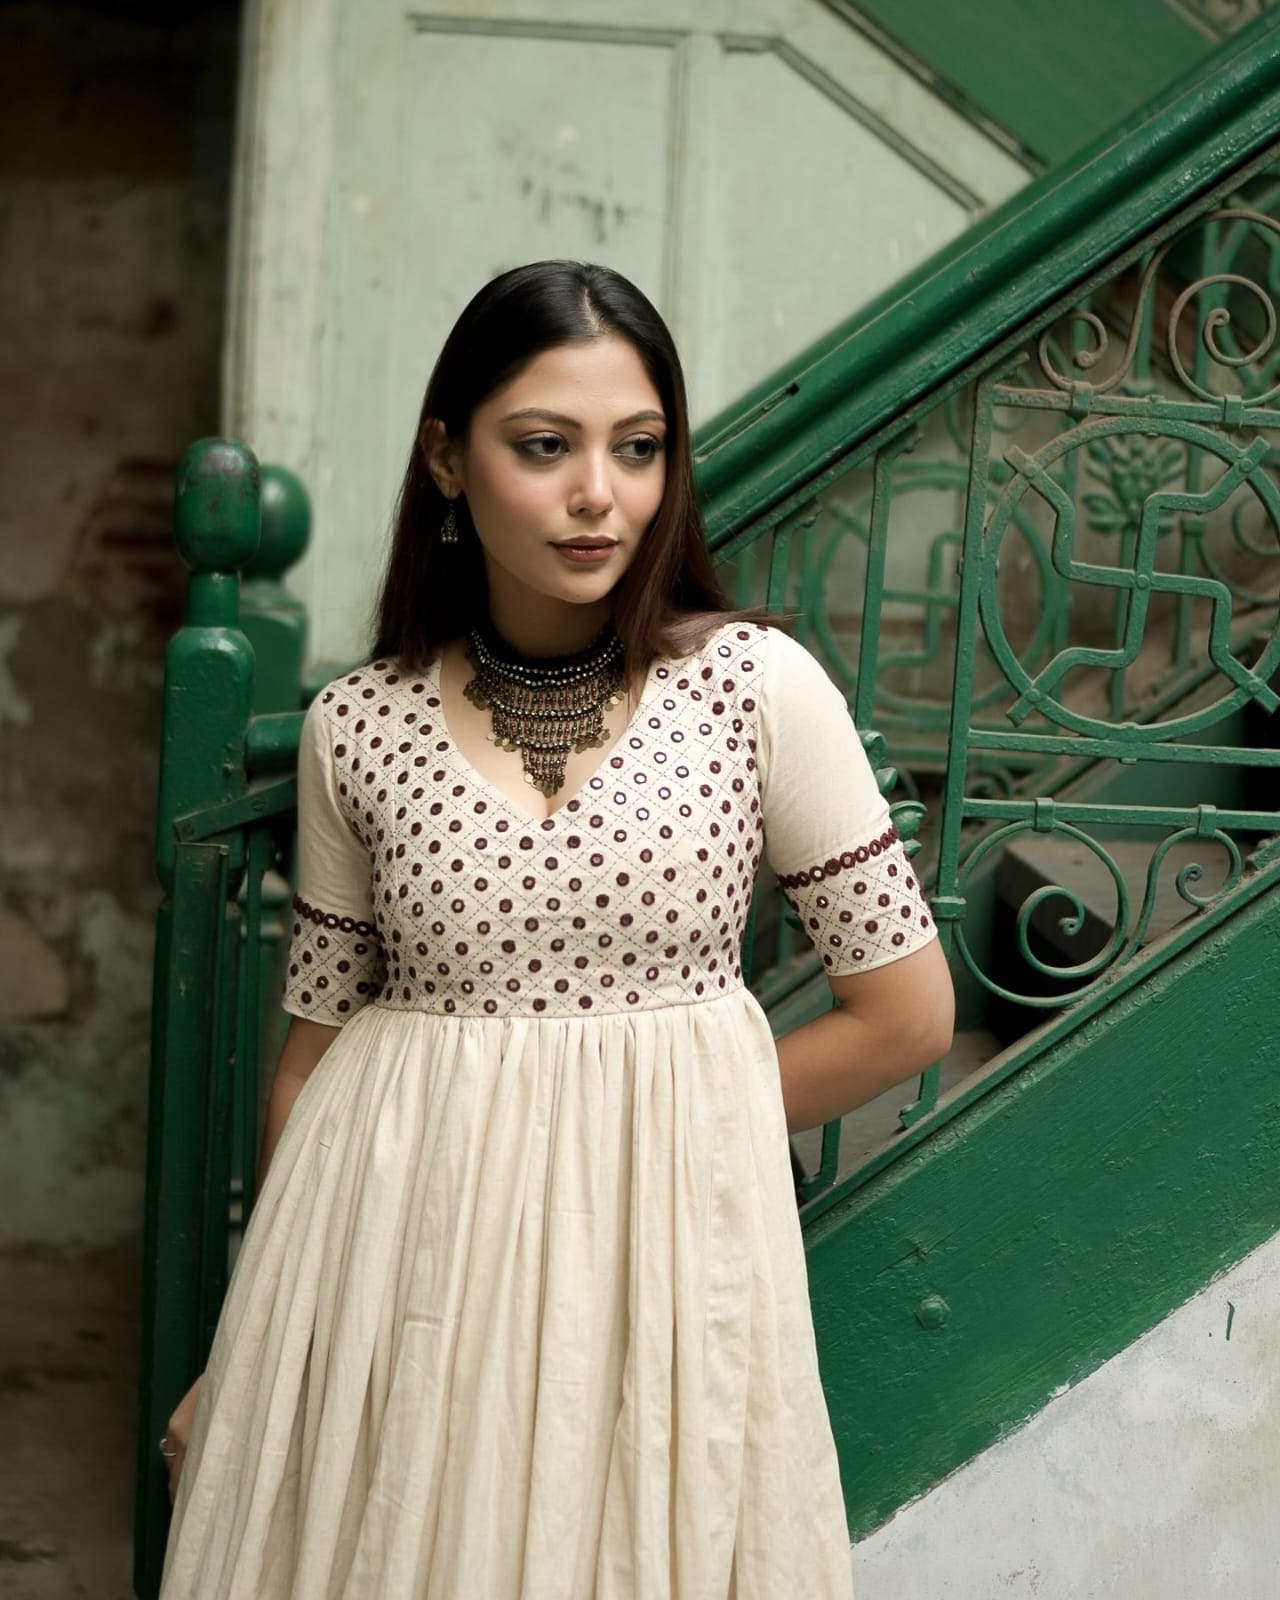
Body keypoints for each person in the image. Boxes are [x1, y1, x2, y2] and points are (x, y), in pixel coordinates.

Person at [159, 260, 954, 1598]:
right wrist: (253, 1347)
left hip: (658, 1257)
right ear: (448, 460)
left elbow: (907, 1016)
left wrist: (638, 1135)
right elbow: (311, 1056)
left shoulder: (757, 692)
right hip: (396, 1264)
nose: (602, 494)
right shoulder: (357, 725)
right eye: (546, 447)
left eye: (638, 449)